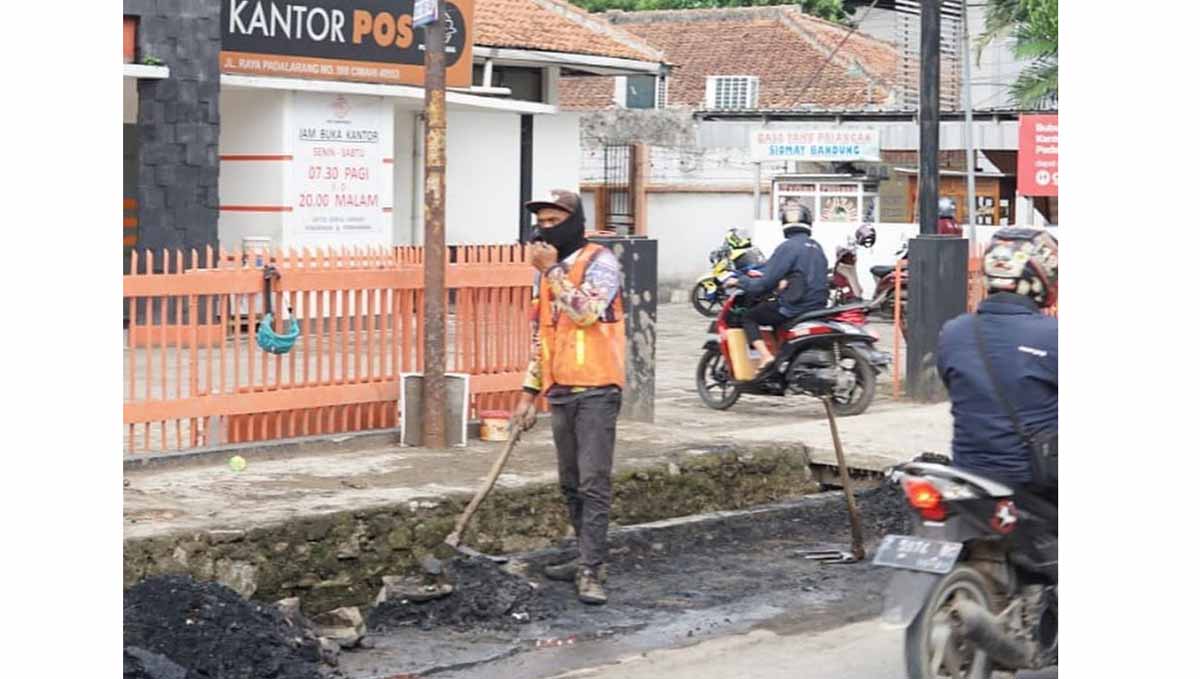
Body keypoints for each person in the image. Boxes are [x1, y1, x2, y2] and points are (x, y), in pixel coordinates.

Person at [510, 189, 625, 605]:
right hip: (560, 390)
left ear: (574, 223)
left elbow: (586, 313)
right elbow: (542, 338)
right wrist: (528, 395)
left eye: (553, 222)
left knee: (594, 482)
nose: (544, 230)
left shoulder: (601, 263)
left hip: (597, 388)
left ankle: (592, 569)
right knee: (571, 483)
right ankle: (583, 555)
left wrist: (552, 271)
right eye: (540, 223)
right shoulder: (544, 275)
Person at [936, 228, 1058, 500]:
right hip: (1036, 483)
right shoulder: (1053, 335)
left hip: (968, 477)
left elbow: (952, 384)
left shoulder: (953, 332)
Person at [728, 200, 828, 372]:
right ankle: (783, 360)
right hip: (817, 306)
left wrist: (739, 281)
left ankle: (766, 356)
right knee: (774, 316)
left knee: (750, 317)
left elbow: (764, 283)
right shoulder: (817, 247)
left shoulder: (788, 247)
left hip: (795, 307)